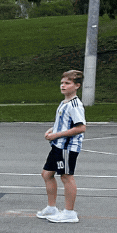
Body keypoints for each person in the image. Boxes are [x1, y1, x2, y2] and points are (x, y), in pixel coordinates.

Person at [38, 70, 85, 224]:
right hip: (57, 145)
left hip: (67, 147)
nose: (63, 86)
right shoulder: (64, 102)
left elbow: (80, 127)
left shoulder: (75, 105)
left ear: (77, 86)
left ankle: (69, 212)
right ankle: (52, 208)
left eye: (67, 83)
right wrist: (51, 130)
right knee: (47, 174)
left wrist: (56, 135)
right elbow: (63, 122)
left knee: (66, 176)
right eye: (62, 83)